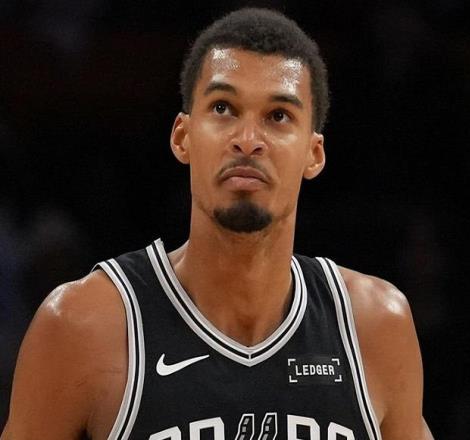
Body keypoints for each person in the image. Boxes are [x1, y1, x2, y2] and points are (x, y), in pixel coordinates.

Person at [1, 8, 434, 440]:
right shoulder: (83, 326)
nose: (248, 140)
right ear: (182, 137)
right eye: (224, 108)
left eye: (278, 115)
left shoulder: (375, 325)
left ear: (313, 153)